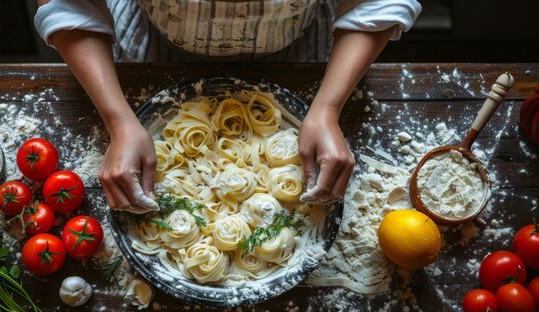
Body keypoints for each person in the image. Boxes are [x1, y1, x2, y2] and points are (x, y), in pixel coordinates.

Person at [34, 0, 421, 213]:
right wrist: (119, 119)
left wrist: (327, 107)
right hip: (152, 55)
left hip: (308, 61)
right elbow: (71, 3)